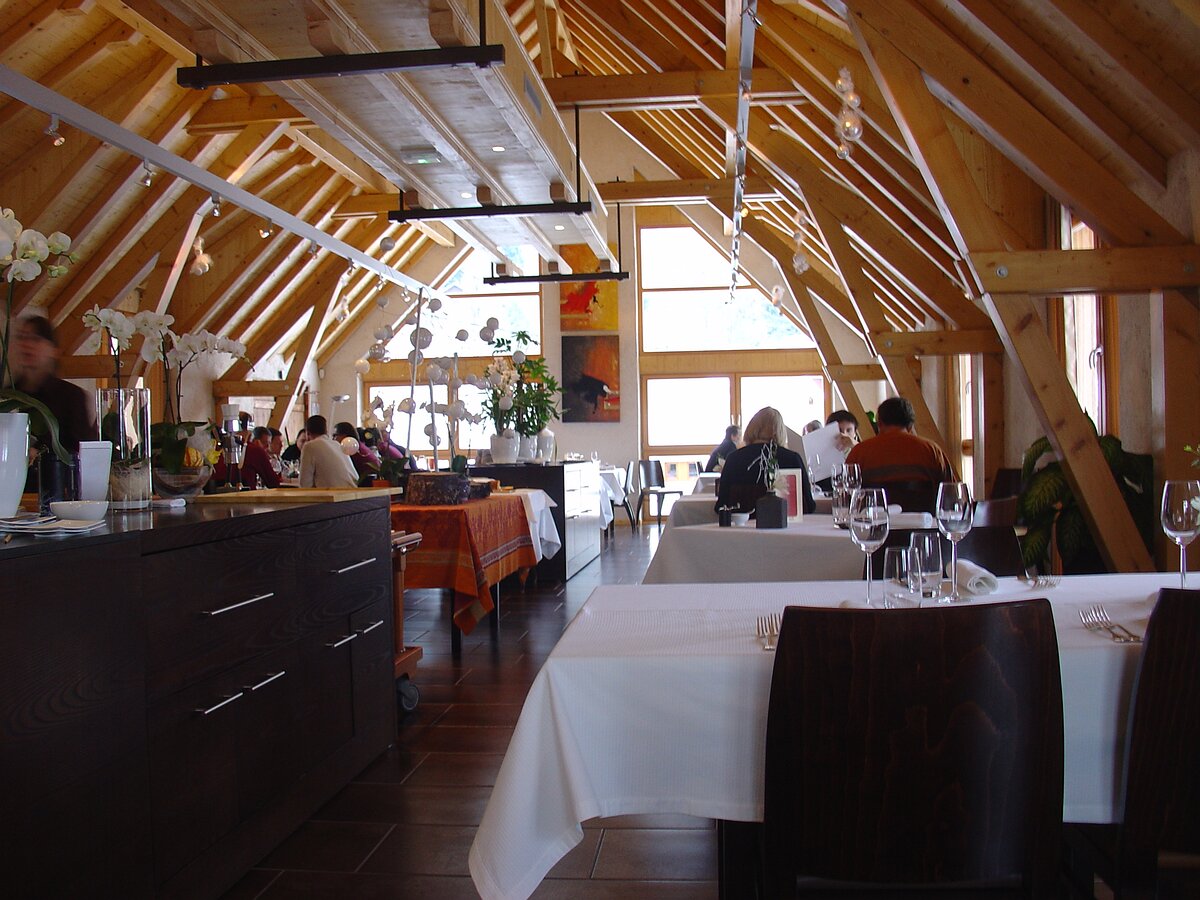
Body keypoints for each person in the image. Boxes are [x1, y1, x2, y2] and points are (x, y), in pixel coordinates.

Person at [11, 316, 97, 493]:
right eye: (22, 338)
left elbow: (83, 454)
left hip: (57, 493)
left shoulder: (72, 397)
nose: (27, 344)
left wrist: (39, 453)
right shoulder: (7, 396)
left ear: (54, 350)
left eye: (35, 339)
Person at [845, 397, 956, 509]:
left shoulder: (859, 452)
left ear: (880, 423)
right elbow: (951, 493)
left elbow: (846, 495)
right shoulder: (932, 450)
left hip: (874, 519)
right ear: (910, 426)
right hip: (925, 519)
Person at [715, 407, 815, 515]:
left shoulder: (734, 459)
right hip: (783, 523)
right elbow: (808, 505)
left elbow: (721, 505)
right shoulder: (792, 459)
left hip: (741, 524)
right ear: (780, 432)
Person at [298, 415, 358, 489]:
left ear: (307, 433)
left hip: (334, 494)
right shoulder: (337, 444)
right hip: (353, 492)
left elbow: (305, 484)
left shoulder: (309, 446)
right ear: (326, 431)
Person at [334, 421, 381, 486]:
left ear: (344, 436)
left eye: (335, 435)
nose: (334, 439)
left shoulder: (351, 449)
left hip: (366, 485)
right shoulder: (359, 446)